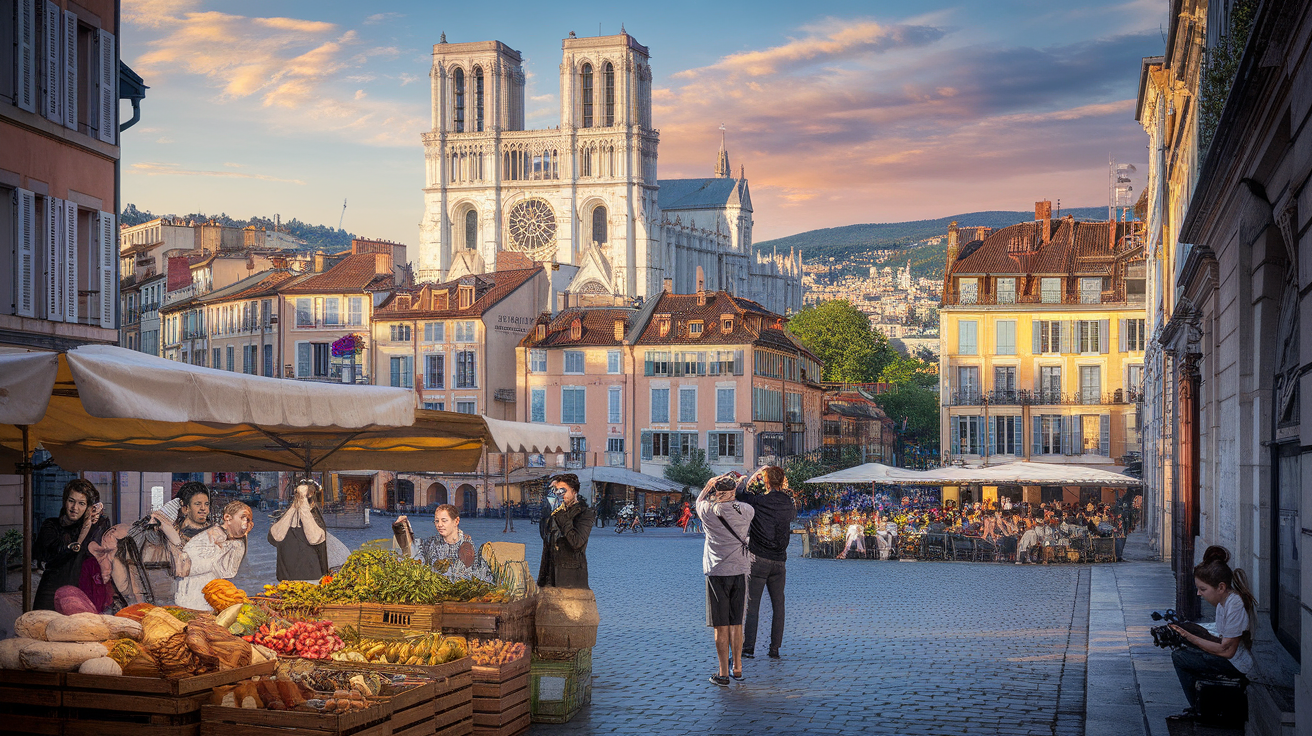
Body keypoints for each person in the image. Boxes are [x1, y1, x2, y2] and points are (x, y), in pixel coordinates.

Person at [1167, 546, 1256, 723]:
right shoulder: (1224, 602)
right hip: (1230, 658)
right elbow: (1218, 631)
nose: (1199, 593)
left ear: (1221, 587)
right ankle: (1200, 704)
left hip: (1236, 664)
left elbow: (1227, 650)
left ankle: (1198, 708)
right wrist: (1189, 629)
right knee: (1184, 651)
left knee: (1180, 658)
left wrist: (1190, 636)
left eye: (1203, 589)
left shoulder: (1235, 604)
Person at [697, 474, 754, 686]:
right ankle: (737, 667)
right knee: (736, 622)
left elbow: (699, 501)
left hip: (716, 572)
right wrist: (739, 486)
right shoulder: (748, 511)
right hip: (740, 570)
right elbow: (740, 501)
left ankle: (723, 673)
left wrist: (708, 484)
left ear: (715, 491)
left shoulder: (708, 512)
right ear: (733, 491)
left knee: (720, 626)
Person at [736, 466, 795, 659]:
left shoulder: (759, 501)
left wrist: (753, 478)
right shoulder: (789, 503)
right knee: (779, 605)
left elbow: (740, 493)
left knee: (752, 605)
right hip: (780, 560)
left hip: (759, 558)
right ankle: (774, 648)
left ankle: (748, 648)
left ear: (766, 481)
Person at [34, 479, 110, 611]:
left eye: (81, 503)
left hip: (79, 595)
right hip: (50, 593)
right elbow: (58, 554)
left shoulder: (92, 527)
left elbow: (98, 549)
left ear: (88, 507)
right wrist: (84, 531)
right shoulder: (51, 525)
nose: (75, 508)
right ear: (65, 501)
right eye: (71, 501)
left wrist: (91, 521)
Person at [172, 501, 252, 609]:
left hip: (206, 596)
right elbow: (227, 571)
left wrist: (242, 538)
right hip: (195, 599)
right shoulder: (214, 536)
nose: (245, 523)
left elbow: (230, 571)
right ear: (228, 517)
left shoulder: (229, 539)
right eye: (243, 517)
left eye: (248, 520)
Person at [398, 504, 493, 582]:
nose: (439, 525)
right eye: (436, 521)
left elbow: (464, 578)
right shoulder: (432, 542)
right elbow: (413, 553)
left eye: (444, 521)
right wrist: (403, 530)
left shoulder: (466, 546)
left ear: (456, 521)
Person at [537, 473, 595, 589]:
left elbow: (576, 542)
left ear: (574, 492)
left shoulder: (585, 513)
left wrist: (560, 513)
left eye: (563, 491)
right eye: (556, 491)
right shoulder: (552, 511)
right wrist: (548, 510)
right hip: (548, 577)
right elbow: (545, 536)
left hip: (570, 579)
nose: (560, 495)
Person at [268, 478, 329, 582]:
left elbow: (314, 538)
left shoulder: (314, 517)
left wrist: (303, 503)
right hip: (286, 578)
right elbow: (276, 536)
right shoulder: (288, 516)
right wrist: (294, 507)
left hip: (311, 577)